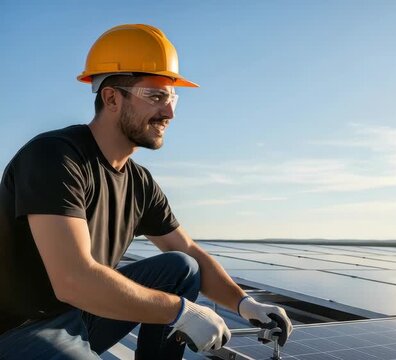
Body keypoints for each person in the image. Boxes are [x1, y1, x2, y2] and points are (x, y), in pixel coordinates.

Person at [0, 24, 292, 359]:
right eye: (155, 96)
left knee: (183, 267)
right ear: (111, 97)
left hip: (79, 316)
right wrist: (180, 312)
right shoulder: (56, 157)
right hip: (19, 331)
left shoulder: (139, 182)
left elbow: (189, 251)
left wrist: (244, 303)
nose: (168, 112)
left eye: (172, 98)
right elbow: (72, 280)